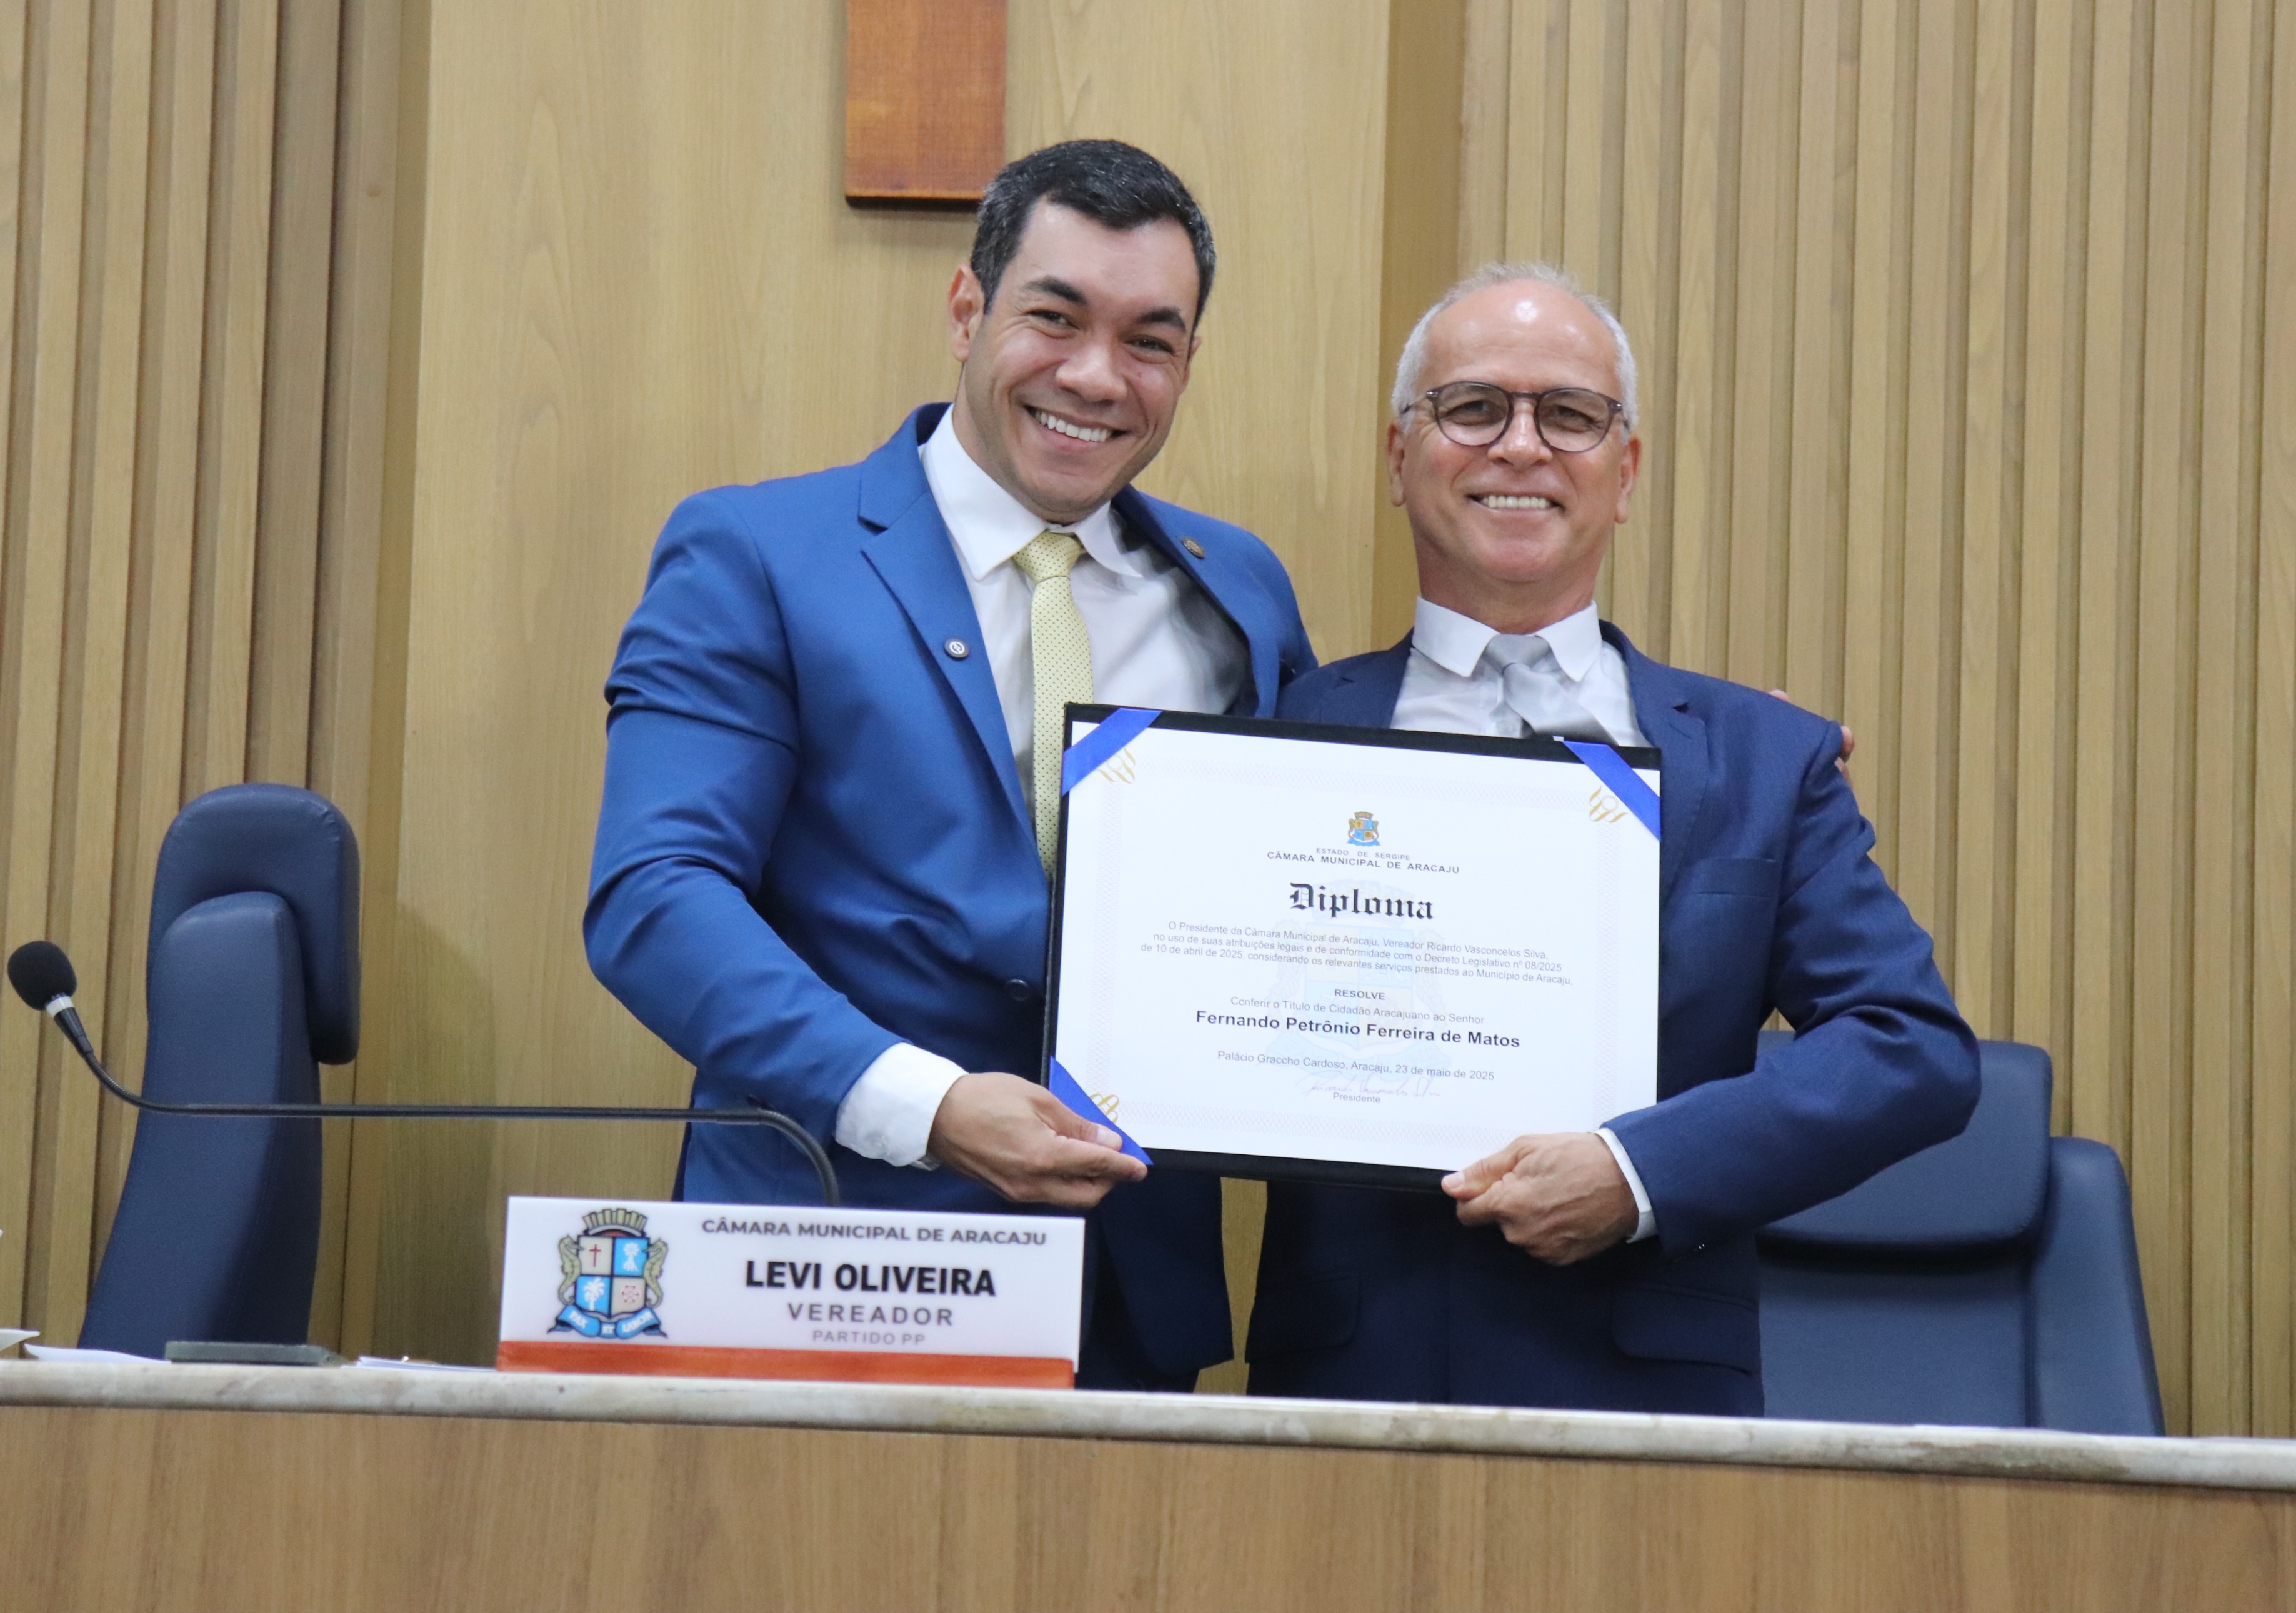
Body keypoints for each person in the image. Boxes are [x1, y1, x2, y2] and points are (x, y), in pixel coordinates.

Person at [586, 141, 1316, 1391]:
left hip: (1125, 1301)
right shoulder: (756, 553)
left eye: (1149, 340)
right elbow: (655, 898)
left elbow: (1296, 885)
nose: (1096, 375)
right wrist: (929, 1104)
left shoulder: (1237, 590)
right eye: (1054, 317)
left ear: (1188, 364)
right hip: (823, 1267)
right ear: (968, 311)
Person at [1246, 264, 1978, 1414]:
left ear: (1625, 470)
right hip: (1346, 1389)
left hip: (1651, 1403)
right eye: (1472, 407)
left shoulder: (1762, 759)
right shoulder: (1274, 738)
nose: (1520, 446)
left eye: (1569, 415)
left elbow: (1910, 1048)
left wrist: (1641, 1172)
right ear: (1399, 457)